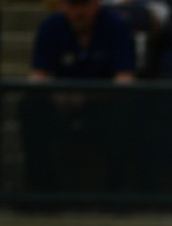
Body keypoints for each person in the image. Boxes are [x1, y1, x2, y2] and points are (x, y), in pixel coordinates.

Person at [20, 0, 137, 193]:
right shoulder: (51, 25)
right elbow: (37, 77)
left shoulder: (116, 24)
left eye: (84, 4)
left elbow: (125, 79)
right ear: (62, 5)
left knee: (127, 108)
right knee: (30, 106)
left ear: (96, 4)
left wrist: (90, 95)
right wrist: (57, 95)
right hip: (61, 104)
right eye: (73, 5)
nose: (79, 12)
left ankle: (115, 193)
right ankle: (43, 192)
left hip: (103, 105)